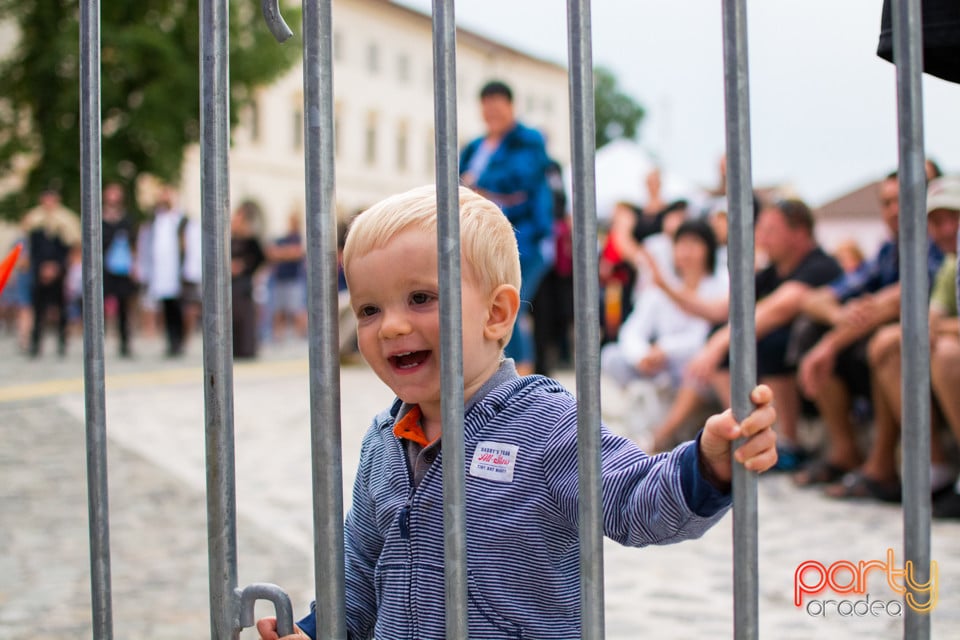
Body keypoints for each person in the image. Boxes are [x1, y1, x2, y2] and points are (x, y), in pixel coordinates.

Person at [256, 185, 779, 640]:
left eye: (420, 298)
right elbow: (361, 573)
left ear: (497, 313)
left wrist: (707, 465)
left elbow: (634, 498)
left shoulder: (545, 424)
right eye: (369, 309)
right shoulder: (384, 440)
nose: (389, 326)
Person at [794, 172, 952, 486]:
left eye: (902, 200)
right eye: (887, 203)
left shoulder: (937, 247)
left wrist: (833, 341)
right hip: (882, 346)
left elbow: (902, 299)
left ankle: (912, 464)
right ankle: (848, 452)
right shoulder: (887, 252)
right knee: (810, 330)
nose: (895, 209)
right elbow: (815, 300)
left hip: (915, 347)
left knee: (886, 342)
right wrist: (840, 315)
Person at [684, 199, 843, 469]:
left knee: (770, 343)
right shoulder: (770, 272)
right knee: (724, 341)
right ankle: (745, 431)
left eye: (770, 230)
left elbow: (781, 307)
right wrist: (666, 286)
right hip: (793, 369)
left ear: (800, 233)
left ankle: (788, 443)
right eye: (761, 229)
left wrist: (720, 342)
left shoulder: (820, 266)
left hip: (828, 365)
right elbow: (723, 309)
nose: (761, 237)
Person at [600, 219, 726, 446]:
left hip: (696, 366)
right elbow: (632, 330)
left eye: (694, 244)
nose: (686, 252)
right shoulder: (661, 289)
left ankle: (660, 436)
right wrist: (643, 355)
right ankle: (642, 419)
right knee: (611, 356)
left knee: (698, 368)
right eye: (681, 244)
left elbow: (706, 335)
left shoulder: (719, 284)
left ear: (708, 249)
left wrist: (665, 349)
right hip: (660, 368)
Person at [460, 80, 555, 376]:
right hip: (483, 239)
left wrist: (479, 187)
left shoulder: (528, 140)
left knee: (508, 306)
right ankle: (495, 375)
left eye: (498, 107)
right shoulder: (476, 146)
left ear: (511, 108)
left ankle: (523, 382)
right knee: (488, 308)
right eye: (487, 108)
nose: (492, 114)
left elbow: (520, 180)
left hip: (525, 238)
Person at [22, 188, 81, 357]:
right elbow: (31, 249)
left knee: (61, 309)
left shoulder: (65, 221)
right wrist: (41, 267)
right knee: (38, 309)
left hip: (59, 271)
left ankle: (62, 344)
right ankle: (35, 344)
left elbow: (70, 248)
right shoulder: (35, 220)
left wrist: (57, 267)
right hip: (39, 270)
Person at [139, 186, 189, 357]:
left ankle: (179, 340)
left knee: (178, 307)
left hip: (176, 271)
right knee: (166, 307)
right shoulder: (154, 220)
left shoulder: (180, 220)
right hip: (160, 271)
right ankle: (171, 340)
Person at [102, 182, 137, 357]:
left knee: (124, 305)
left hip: (122, 268)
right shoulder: (99, 218)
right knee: (100, 305)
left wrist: (134, 265)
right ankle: (99, 341)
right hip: (103, 267)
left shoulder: (126, 219)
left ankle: (125, 343)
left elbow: (132, 243)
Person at [231, 202, 266, 359]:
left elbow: (259, 258)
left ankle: (247, 348)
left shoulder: (250, 241)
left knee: (245, 316)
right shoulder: (230, 239)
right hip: (232, 283)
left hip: (244, 282)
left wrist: (244, 266)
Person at [269, 211, 308, 341]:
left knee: (296, 309)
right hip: (281, 279)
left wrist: (283, 253)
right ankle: (278, 336)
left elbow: (296, 253)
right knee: (279, 310)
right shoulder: (284, 238)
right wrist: (287, 253)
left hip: (293, 279)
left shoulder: (298, 238)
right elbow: (272, 253)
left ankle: (300, 335)